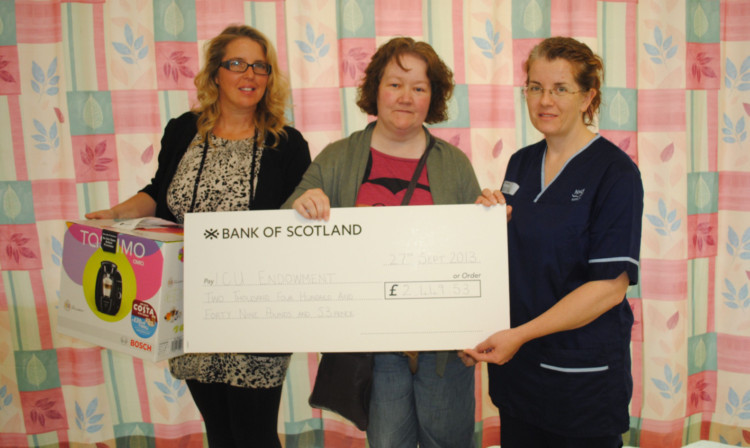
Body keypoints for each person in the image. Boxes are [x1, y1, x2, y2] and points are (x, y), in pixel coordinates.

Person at [86, 25, 311, 447]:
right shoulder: (184, 130)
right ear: (215, 74)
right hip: (189, 305)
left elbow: (295, 225)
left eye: (260, 66)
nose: (250, 74)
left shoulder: (287, 144)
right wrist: (115, 215)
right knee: (221, 432)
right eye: (237, 63)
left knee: (255, 434)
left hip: (255, 311)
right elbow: (158, 193)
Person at [283, 37, 480, 448]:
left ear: (434, 97)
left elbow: (477, 253)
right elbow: (287, 227)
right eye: (395, 84)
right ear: (375, 89)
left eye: (419, 87)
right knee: (389, 443)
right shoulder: (338, 158)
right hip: (373, 350)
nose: (406, 97)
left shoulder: (454, 164)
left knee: (448, 441)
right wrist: (303, 204)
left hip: (445, 348)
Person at [465, 36, 644, 447]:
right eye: (535, 87)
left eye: (561, 89)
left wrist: (521, 334)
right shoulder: (522, 163)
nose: (545, 100)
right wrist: (486, 220)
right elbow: (514, 255)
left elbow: (608, 289)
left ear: (588, 98)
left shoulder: (615, 173)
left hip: (580, 378)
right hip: (519, 374)